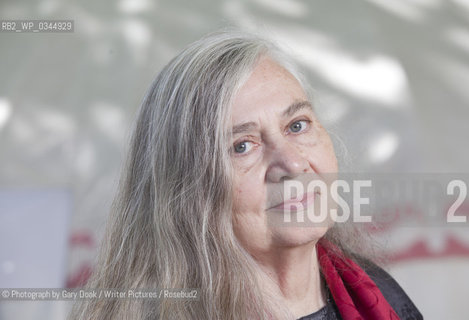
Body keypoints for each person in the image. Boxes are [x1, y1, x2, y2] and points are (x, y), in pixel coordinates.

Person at [69, 30, 423, 320]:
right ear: (186, 191)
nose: (293, 163)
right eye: (242, 146)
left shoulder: (377, 295)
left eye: (297, 125)